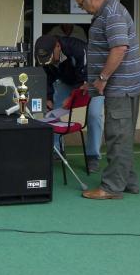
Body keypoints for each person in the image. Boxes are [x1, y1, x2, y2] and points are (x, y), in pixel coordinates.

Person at [73, 0, 140, 199]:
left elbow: (119, 48)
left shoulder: (112, 14)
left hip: (120, 88)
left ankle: (111, 187)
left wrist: (103, 78)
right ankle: (128, 181)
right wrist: (92, 83)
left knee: (117, 137)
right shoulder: (109, 11)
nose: (82, 9)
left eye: (81, 4)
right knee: (124, 136)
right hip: (124, 86)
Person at [34, 33, 104, 173]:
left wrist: (73, 97)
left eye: (50, 58)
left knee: (94, 115)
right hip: (67, 81)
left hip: (92, 81)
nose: (48, 61)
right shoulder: (44, 54)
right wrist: (48, 97)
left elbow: (84, 79)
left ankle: (93, 156)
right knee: (50, 111)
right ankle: (56, 150)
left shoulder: (78, 49)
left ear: (58, 47)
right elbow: (46, 77)